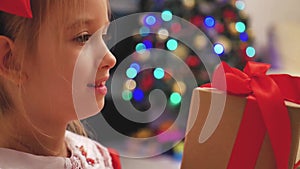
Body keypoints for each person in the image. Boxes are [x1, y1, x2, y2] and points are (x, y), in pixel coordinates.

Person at [0, 0, 121, 168]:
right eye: (83, 37)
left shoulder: (102, 160)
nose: (110, 59)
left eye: (103, 35)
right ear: (12, 60)